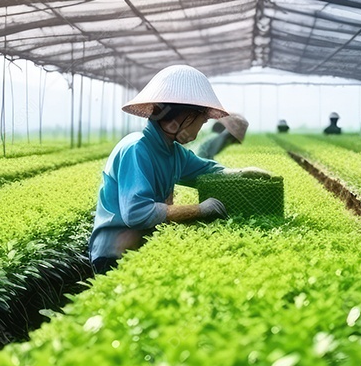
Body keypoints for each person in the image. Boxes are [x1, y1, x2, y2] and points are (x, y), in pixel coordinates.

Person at [88, 65, 270, 274]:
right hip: (112, 256)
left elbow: (207, 171)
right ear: (185, 117)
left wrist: (240, 173)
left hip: (140, 248)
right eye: (201, 121)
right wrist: (200, 210)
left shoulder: (173, 152)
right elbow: (136, 214)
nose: (201, 128)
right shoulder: (136, 148)